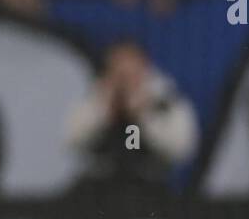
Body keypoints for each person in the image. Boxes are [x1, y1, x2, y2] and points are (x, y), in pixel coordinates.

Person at [66, 41, 197, 191]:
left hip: (149, 188)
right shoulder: (95, 100)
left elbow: (181, 150)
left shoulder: (166, 100)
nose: (125, 80)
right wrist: (103, 113)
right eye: (119, 72)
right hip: (101, 188)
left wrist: (143, 115)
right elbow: (72, 141)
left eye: (131, 72)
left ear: (144, 68)